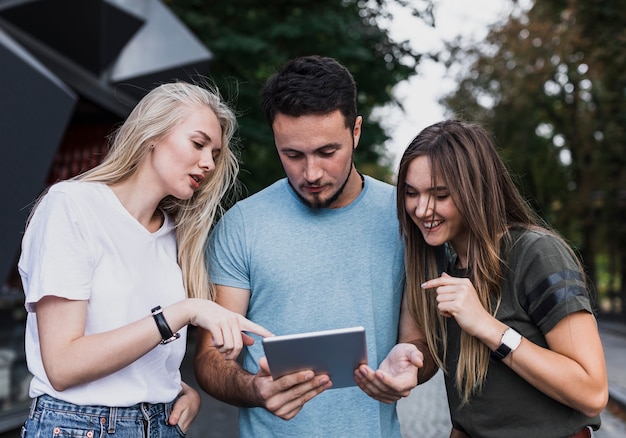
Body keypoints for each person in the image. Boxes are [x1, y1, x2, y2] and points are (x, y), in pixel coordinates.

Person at [17, 81, 272, 437]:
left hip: (161, 425)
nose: (208, 163)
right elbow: (63, 364)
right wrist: (182, 311)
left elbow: (138, 368)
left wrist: (177, 392)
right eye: (198, 144)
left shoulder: (178, 237)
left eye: (214, 153)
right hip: (79, 427)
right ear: (152, 133)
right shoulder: (73, 206)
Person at [193, 55, 427, 437]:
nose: (311, 173)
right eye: (293, 155)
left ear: (356, 131)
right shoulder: (242, 225)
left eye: (326, 152)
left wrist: (415, 363)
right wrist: (254, 388)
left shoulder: (404, 217)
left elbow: (418, 338)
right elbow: (210, 358)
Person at [396, 119, 609, 438]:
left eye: (440, 195)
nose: (423, 209)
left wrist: (487, 327)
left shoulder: (536, 254)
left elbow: (592, 393)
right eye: (412, 193)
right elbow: (473, 416)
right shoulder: (445, 268)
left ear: (475, 191)